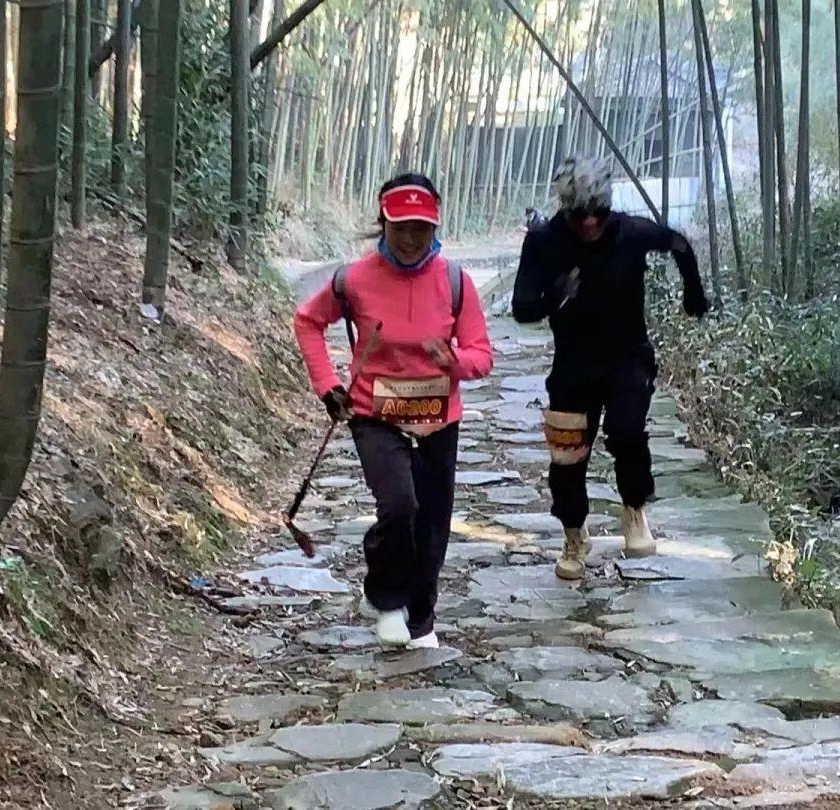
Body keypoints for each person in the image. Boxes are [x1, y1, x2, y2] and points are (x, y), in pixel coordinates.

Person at [294, 173, 494, 647]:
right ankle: (386, 598)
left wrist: (454, 361)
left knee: (432, 523)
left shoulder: (454, 281)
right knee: (399, 505)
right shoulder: (354, 280)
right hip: (375, 416)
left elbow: (482, 355)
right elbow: (308, 321)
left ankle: (421, 620)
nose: (409, 239)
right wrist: (328, 386)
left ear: (435, 227)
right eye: (400, 227)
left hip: (438, 420)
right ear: (382, 223)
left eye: (420, 228)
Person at [511, 156, 709, 581]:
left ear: (608, 205)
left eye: (597, 212)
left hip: (627, 355)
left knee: (627, 430)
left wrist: (694, 295)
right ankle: (573, 533)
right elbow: (522, 308)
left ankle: (634, 510)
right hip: (573, 363)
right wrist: (555, 295)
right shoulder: (544, 242)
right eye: (578, 214)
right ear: (565, 210)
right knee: (567, 454)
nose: (588, 222)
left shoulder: (630, 232)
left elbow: (679, 243)